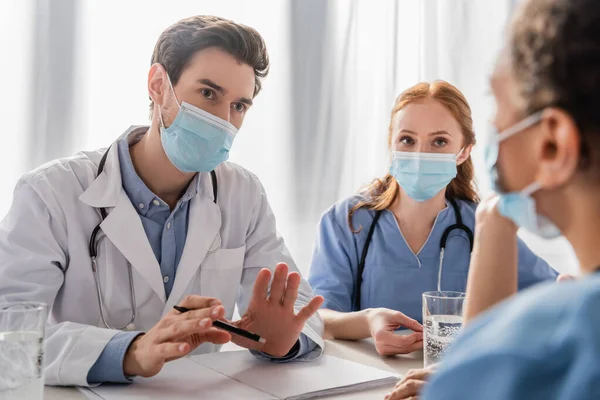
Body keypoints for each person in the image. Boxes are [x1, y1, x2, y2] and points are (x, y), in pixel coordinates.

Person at [0, 15, 324, 387]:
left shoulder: (243, 194)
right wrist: (130, 351)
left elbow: (302, 310)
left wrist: (282, 342)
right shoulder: (51, 193)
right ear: (158, 85)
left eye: (239, 106)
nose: (223, 119)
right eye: (208, 94)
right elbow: (8, 331)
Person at [393, 0, 600, 399]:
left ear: (553, 145)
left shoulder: (545, 354)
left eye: (496, 103)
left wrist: (466, 375)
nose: (491, 131)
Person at [307, 80, 558, 358]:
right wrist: (368, 321)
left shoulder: (483, 225)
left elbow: (553, 294)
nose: (419, 155)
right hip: (369, 380)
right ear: (391, 144)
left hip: (453, 379)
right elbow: (319, 317)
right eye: (407, 140)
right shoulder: (347, 221)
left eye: (439, 142)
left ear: (463, 152)